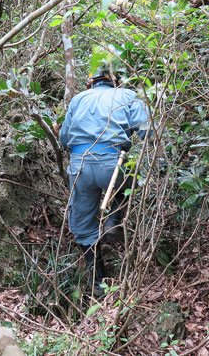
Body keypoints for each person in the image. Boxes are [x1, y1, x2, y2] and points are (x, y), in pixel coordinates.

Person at [53, 64, 152, 298]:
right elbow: (148, 131)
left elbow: (64, 138)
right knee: (132, 181)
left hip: (81, 164)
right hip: (112, 162)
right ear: (113, 81)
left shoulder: (78, 99)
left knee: (84, 225)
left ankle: (98, 281)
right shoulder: (127, 95)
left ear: (90, 83)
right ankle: (114, 219)